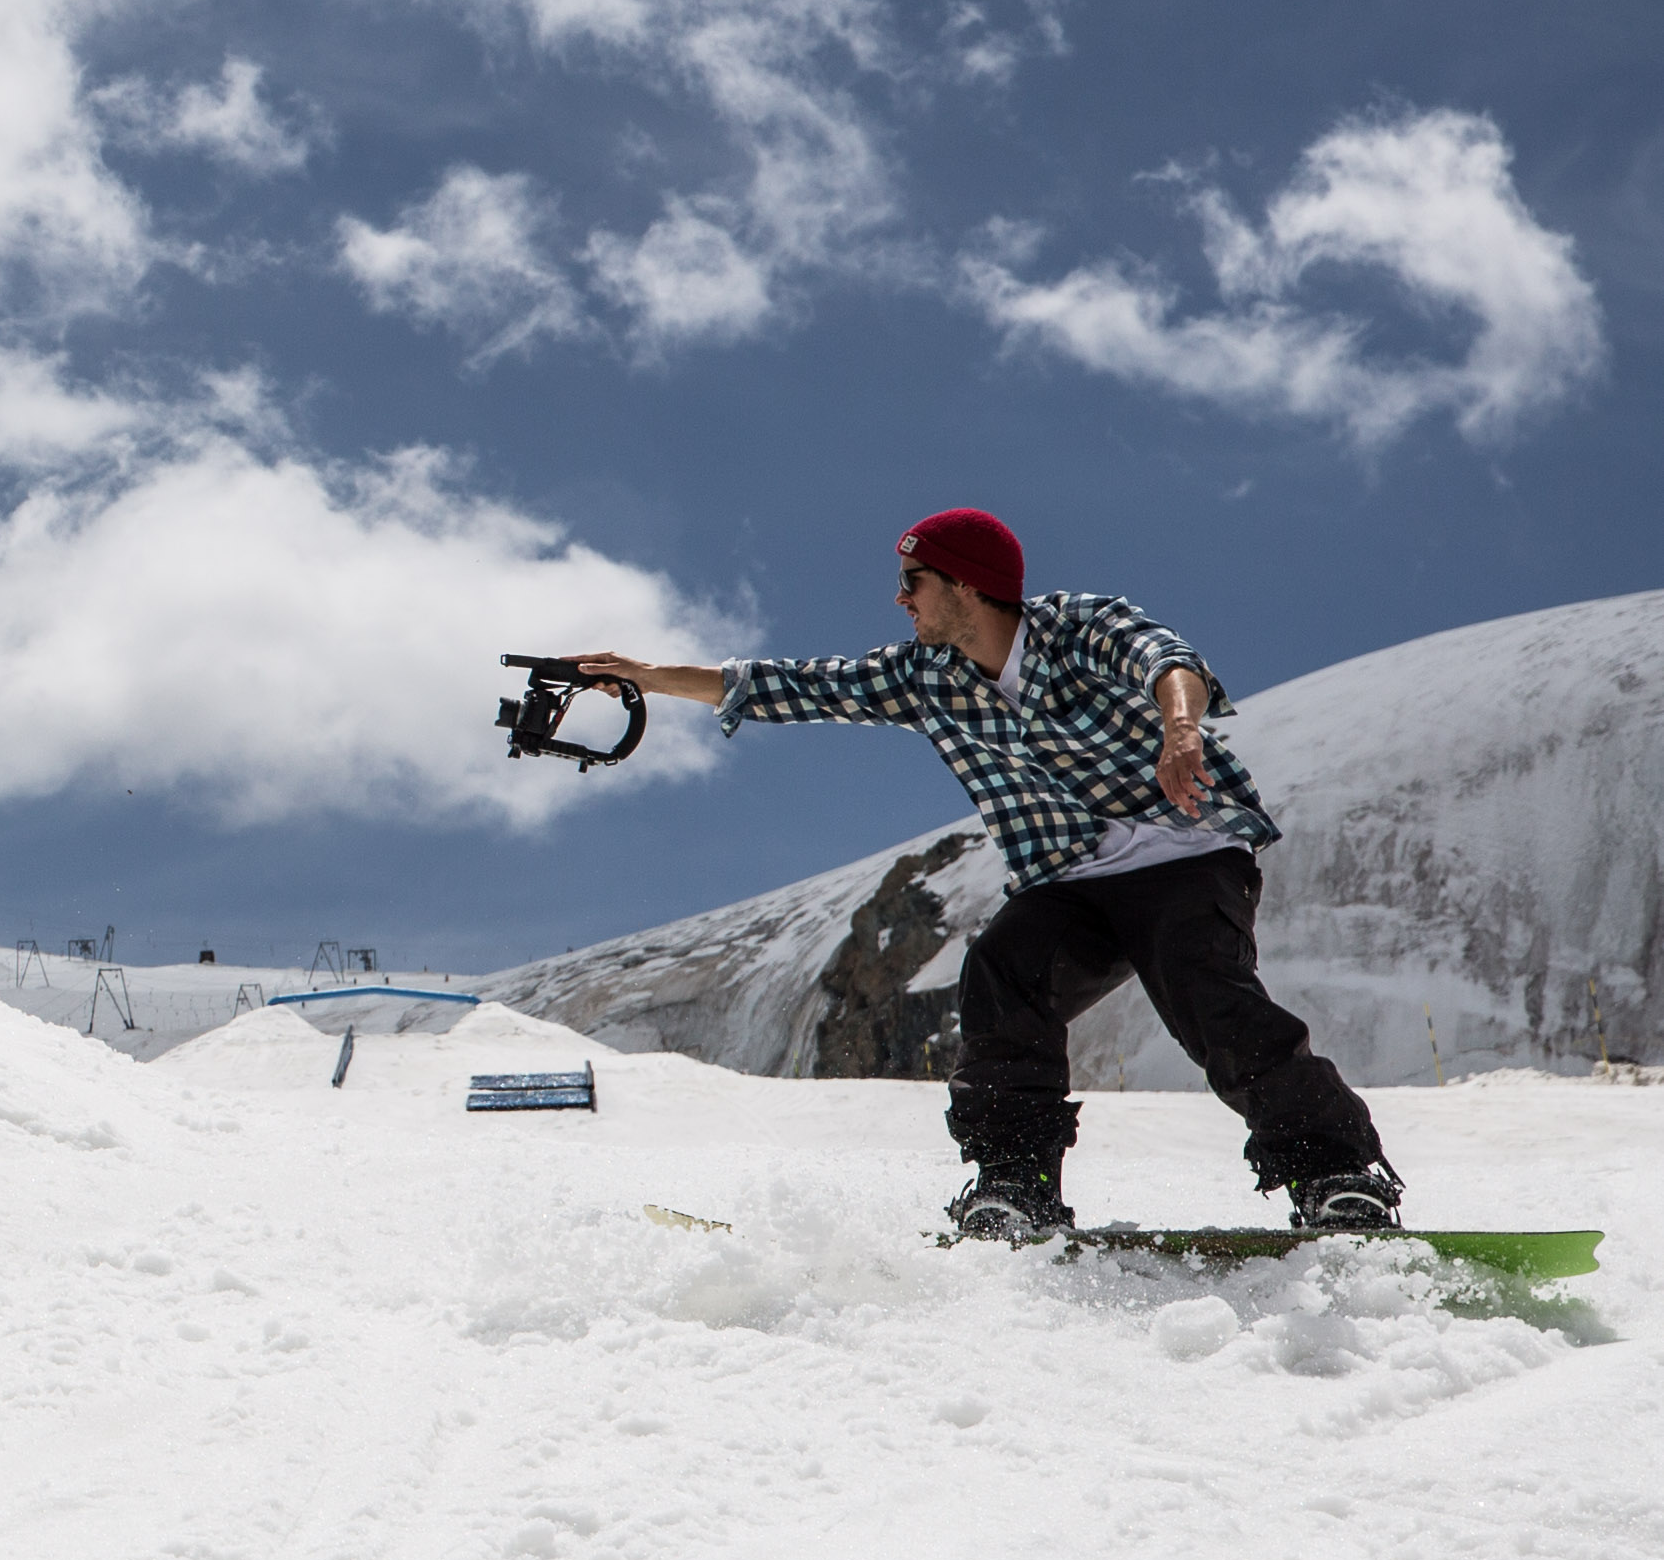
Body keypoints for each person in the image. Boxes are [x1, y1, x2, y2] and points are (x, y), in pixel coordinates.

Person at [566, 507, 1403, 1239]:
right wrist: (643, 676)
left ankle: (1337, 1175)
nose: (901, 599)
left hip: (1183, 852)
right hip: (1067, 882)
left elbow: (1165, 659)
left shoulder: (1076, 624)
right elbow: (786, 685)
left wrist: (1179, 729)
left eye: (913, 582)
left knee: (1209, 1001)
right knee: (1002, 976)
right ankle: (1016, 1186)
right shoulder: (924, 676)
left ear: (966, 586)